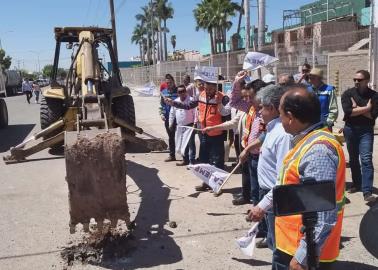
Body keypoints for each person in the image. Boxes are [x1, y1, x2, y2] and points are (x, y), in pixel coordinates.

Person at [273, 85, 346, 270]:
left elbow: (323, 213)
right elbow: (288, 184)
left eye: (280, 114)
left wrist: (302, 258)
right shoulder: (305, 140)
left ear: (290, 117)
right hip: (291, 244)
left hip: (306, 255)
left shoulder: (318, 151)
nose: (279, 120)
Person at [165, 73, 231, 191]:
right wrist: (173, 103)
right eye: (206, 88)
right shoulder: (201, 95)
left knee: (217, 161)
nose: (207, 91)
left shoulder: (223, 98)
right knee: (204, 160)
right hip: (204, 133)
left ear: (215, 87)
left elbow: (227, 115)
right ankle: (205, 182)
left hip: (217, 135)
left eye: (210, 89)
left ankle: (217, 186)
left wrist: (219, 103)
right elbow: (188, 105)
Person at [247, 84, 292, 251]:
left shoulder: (282, 134)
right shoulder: (273, 129)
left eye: (262, 108)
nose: (259, 112)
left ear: (272, 108)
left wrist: (264, 204)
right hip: (267, 192)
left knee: (278, 246)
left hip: (274, 196)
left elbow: (283, 177)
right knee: (273, 240)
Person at [230, 73, 267, 205]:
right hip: (250, 154)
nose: (247, 100)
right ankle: (255, 210)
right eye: (246, 97)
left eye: (251, 97)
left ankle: (260, 217)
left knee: (261, 189)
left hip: (262, 157)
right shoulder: (250, 108)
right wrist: (236, 82)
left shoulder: (269, 113)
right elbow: (233, 102)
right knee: (254, 188)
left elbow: (266, 136)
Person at [341, 70, 378, 202]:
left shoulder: (374, 96)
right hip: (350, 129)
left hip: (366, 131)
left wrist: (357, 109)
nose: (356, 82)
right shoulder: (348, 93)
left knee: (366, 159)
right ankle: (357, 184)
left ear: (367, 80)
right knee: (353, 159)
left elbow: (373, 115)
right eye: (354, 79)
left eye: (359, 80)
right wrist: (367, 108)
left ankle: (367, 192)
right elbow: (348, 112)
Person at [169, 85, 196, 166]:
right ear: (177, 93)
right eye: (179, 92)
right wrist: (170, 123)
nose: (181, 93)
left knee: (191, 144)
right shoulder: (175, 101)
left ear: (186, 91)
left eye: (183, 91)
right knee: (182, 144)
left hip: (190, 126)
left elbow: (195, 113)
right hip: (180, 126)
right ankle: (185, 160)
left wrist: (195, 123)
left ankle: (192, 161)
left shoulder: (191, 100)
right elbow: (172, 113)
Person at [159, 74, 178, 162]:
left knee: (180, 137)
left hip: (178, 118)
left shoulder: (178, 91)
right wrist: (162, 114)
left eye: (170, 82)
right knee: (171, 136)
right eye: (167, 83)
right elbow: (162, 105)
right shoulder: (164, 92)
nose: (169, 84)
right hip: (167, 118)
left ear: (173, 82)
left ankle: (186, 157)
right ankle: (172, 155)